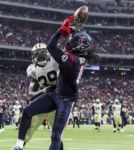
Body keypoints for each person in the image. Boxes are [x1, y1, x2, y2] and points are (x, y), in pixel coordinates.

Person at [12, 14, 96, 150]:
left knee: (56, 135)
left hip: (66, 100)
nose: (70, 44)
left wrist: (60, 30)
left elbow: (51, 47)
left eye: (73, 43)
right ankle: (19, 145)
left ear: (79, 47)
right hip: (56, 94)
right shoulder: (78, 56)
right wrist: (75, 26)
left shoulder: (71, 61)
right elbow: (76, 42)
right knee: (27, 111)